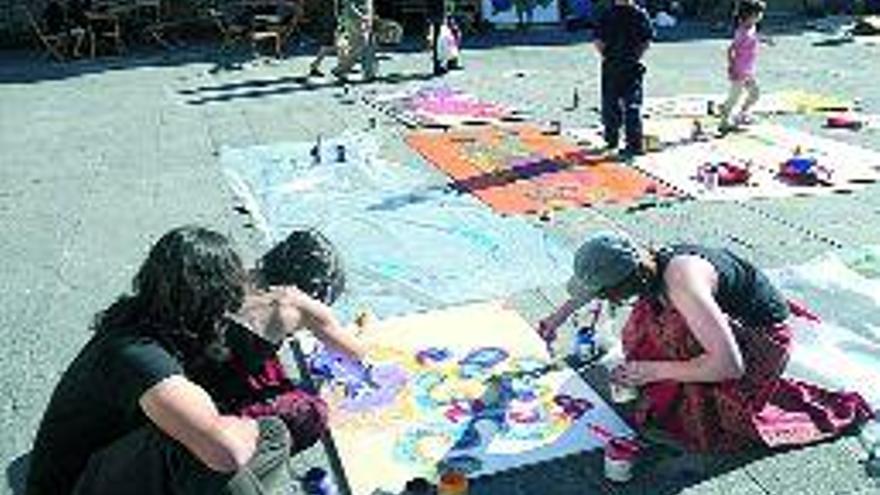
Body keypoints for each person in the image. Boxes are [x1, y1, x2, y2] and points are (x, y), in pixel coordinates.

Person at [25, 226, 364, 494]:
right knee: (206, 455)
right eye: (228, 298)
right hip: (78, 486)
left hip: (112, 457)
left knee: (266, 432)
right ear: (204, 301)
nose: (238, 305)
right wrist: (238, 427)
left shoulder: (149, 318)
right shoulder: (139, 355)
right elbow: (225, 452)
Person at [538, 232, 874, 452]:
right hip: (719, 319)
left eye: (608, 294)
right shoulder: (644, 261)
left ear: (632, 278)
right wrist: (556, 319)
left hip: (761, 337)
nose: (604, 299)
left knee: (672, 340)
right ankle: (672, 371)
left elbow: (728, 365)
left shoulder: (684, 283)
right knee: (647, 324)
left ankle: (687, 388)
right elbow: (591, 285)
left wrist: (652, 371)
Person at [594, 0, 654, 158]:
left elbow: (598, 42)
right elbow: (646, 41)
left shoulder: (607, 13)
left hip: (613, 64)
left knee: (611, 103)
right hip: (630, 64)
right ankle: (633, 144)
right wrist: (636, 56)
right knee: (630, 104)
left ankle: (612, 140)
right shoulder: (639, 13)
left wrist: (608, 55)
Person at [718, 0, 764, 133]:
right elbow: (731, 50)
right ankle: (723, 122)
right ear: (749, 15)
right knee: (734, 97)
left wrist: (763, 40)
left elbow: (753, 39)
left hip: (748, 70)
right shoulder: (741, 31)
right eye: (758, 14)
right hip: (739, 70)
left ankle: (741, 115)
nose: (760, 16)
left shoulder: (752, 27)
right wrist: (731, 67)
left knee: (755, 94)